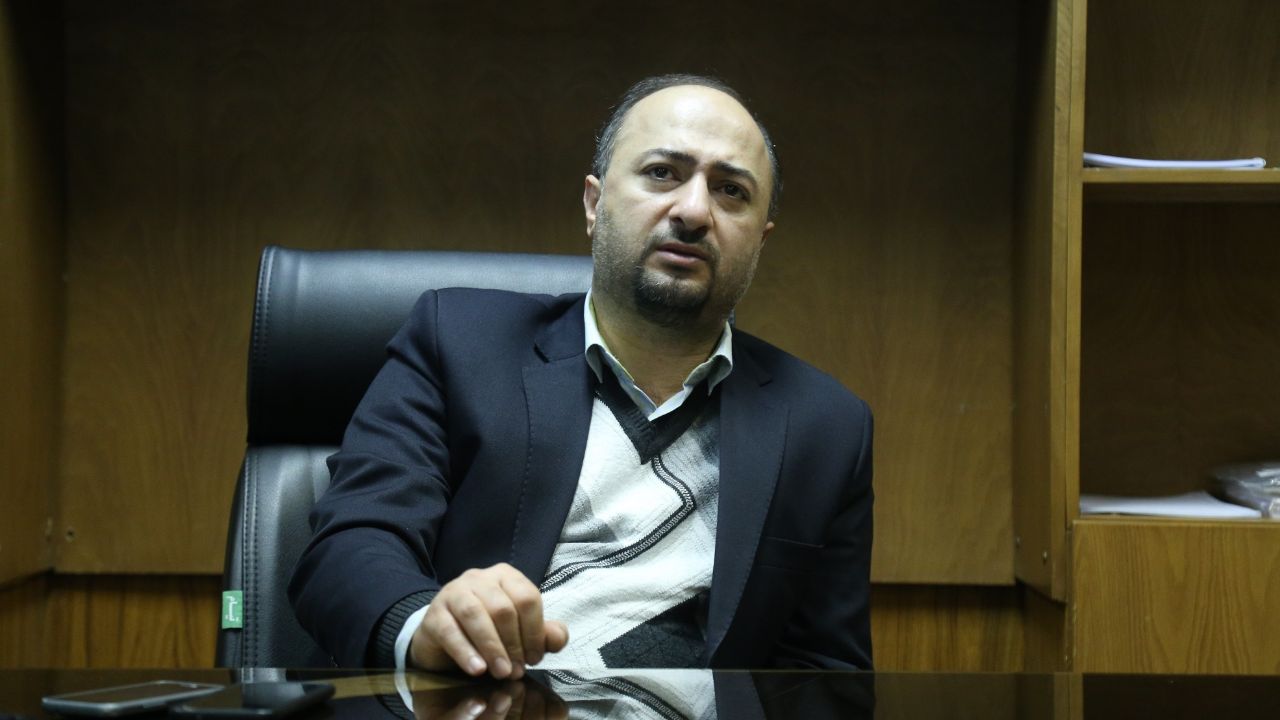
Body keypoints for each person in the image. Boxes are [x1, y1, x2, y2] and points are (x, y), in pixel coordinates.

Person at [289, 74, 874, 678]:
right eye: (662, 173)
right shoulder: (457, 342)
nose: (695, 211)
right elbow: (350, 547)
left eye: (731, 191)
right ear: (595, 204)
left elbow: (823, 670)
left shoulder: (827, 428)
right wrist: (424, 626)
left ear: (760, 240)